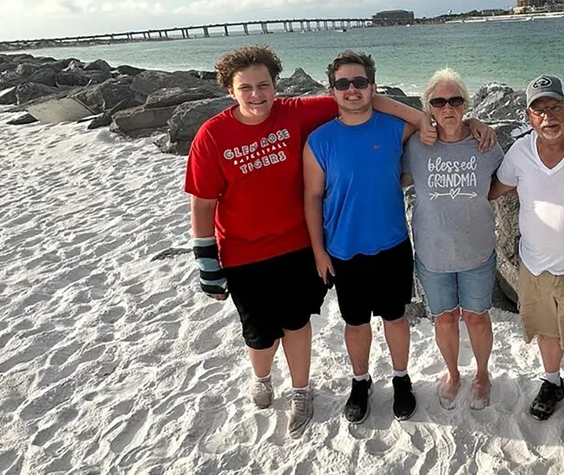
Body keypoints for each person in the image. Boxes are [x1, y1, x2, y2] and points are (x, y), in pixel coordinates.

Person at [184, 45, 434, 439]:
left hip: (308, 246)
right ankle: (275, 378)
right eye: (245, 87)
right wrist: (206, 260)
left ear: (276, 85)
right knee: (262, 333)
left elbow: (376, 104)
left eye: (263, 85)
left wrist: (425, 117)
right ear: (231, 90)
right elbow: (204, 199)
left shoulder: (302, 112)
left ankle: (316, 388)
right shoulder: (217, 134)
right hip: (252, 251)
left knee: (303, 322)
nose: (256, 95)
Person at [302, 51, 495, 424]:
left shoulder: (395, 128)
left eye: (360, 82)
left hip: (393, 244)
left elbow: (429, 120)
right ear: (332, 91)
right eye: (343, 84)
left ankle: (402, 379)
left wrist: (473, 122)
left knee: (396, 318)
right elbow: (312, 195)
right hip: (342, 248)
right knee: (355, 323)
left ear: (373, 87)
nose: (352, 89)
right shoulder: (319, 140)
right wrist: (318, 250)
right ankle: (360, 382)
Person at [490, 74, 564, 447]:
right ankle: (552, 381)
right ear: (528, 116)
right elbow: (496, 187)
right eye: (539, 110)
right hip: (534, 264)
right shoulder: (520, 151)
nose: (548, 117)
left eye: (555, 107)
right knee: (547, 331)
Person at [400, 68, 504, 411]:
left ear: (466, 104)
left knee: (476, 317)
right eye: (439, 101)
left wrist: (481, 126)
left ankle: (482, 374)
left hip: (477, 251)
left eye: (455, 100)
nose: (448, 107)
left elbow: (506, 181)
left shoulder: (485, 143)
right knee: (444, 318)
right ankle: (452, 373)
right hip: (432, 253)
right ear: (428, 106)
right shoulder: (415, 144)